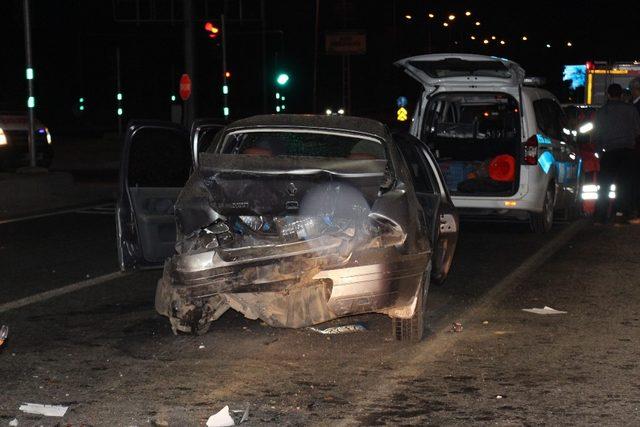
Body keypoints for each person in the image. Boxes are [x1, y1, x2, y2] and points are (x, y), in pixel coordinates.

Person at [592, 83, 640, 224]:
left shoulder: (601, 112)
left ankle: (601, 215)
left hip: (609, 152)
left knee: (605, 184)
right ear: (621, 95)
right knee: (624, 184)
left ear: (608, 94)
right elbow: (638, 130)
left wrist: (599, 151)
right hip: (627, 151)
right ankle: (623, 212)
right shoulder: (631, 110)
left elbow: (597, 134)